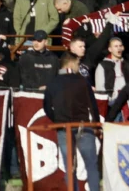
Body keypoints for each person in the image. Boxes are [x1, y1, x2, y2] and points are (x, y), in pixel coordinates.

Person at [43, 54, 101, 191]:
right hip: (84, 126)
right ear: (71, 63)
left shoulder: (52, 82)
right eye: (77, 63)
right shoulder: (82, 81)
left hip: (63, 128)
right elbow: (92, 105)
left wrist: (57, 120)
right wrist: (97, 125)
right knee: (91, 166)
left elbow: (46, 107)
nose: (78, 67)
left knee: (69, 166)